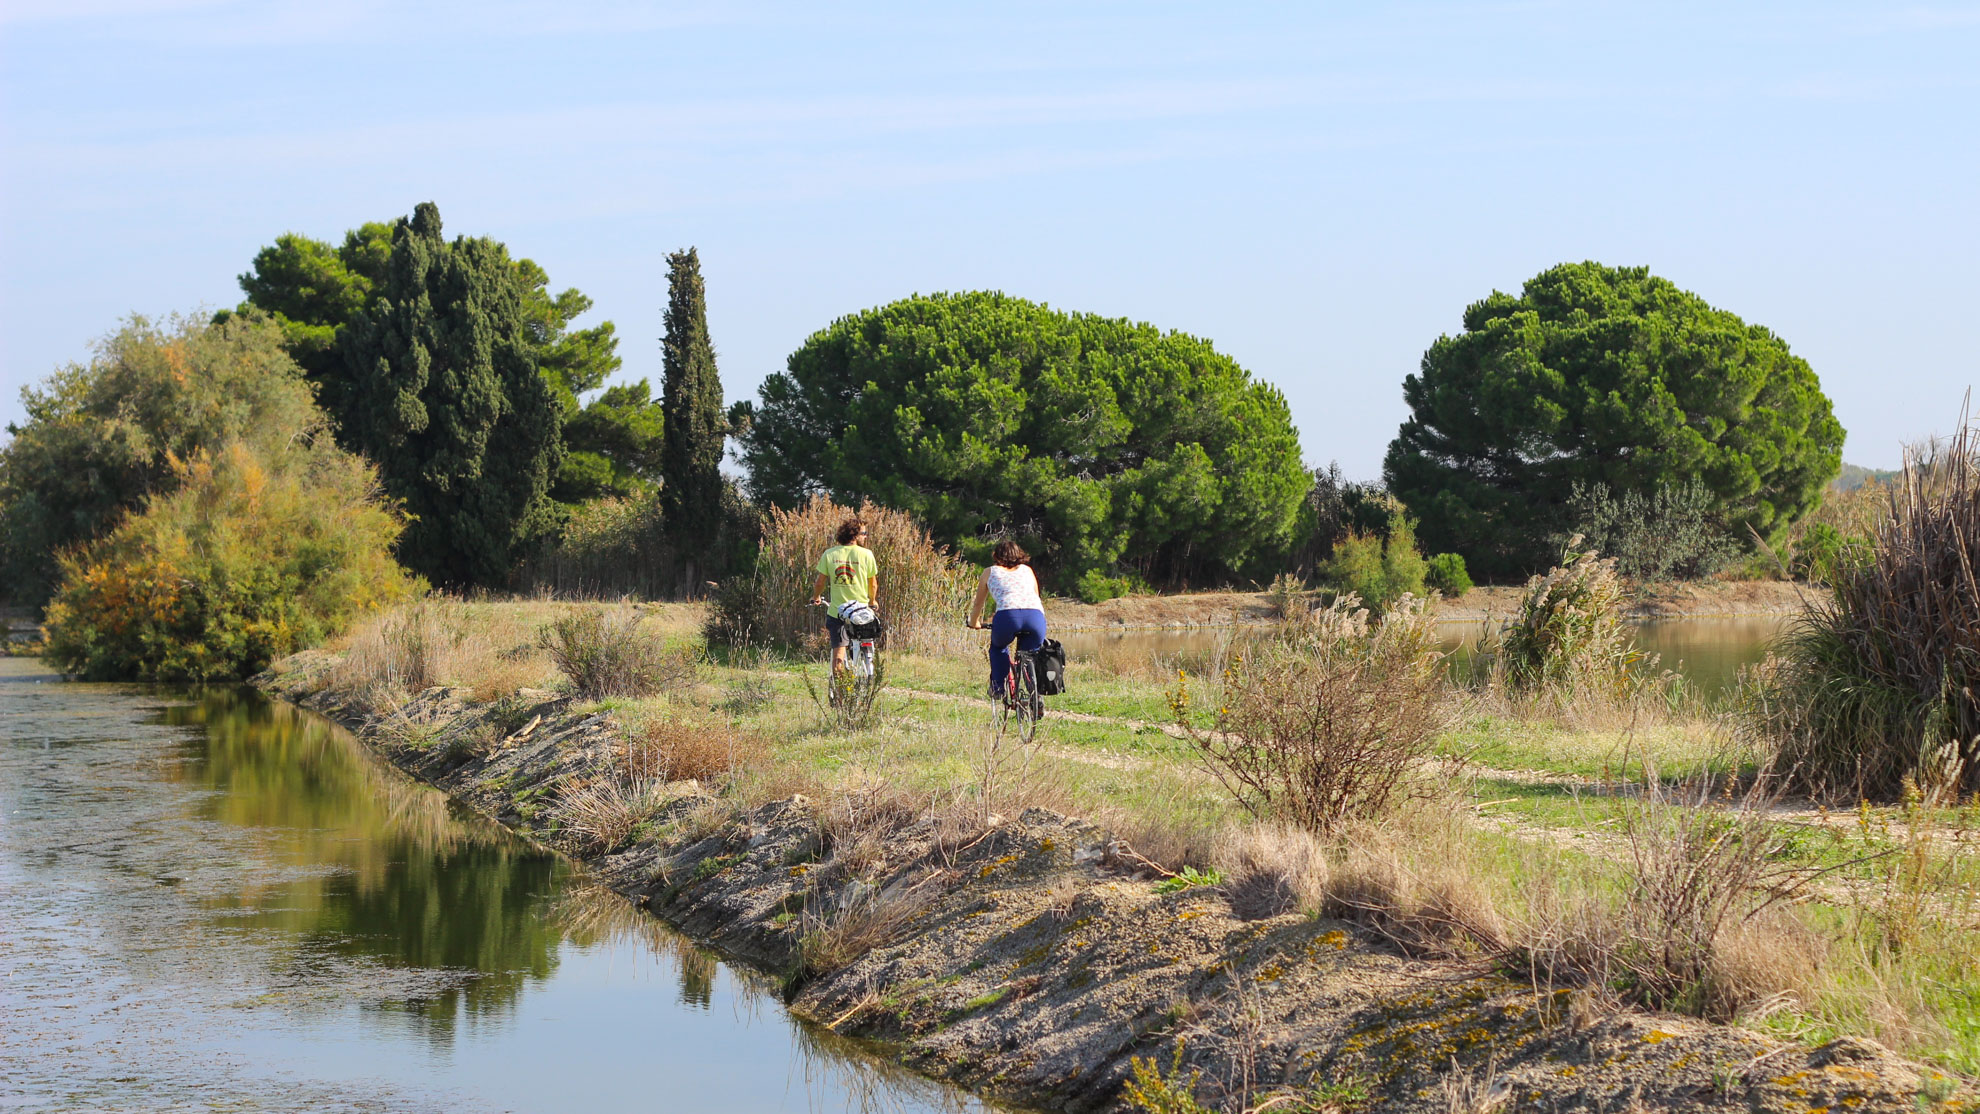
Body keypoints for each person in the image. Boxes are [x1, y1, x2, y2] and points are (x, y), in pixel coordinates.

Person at [966, 540, 1046, 700]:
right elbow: (1036, 597)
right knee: (1030, 654)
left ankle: (998, 687)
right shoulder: (1027, 570)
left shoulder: (989, 572)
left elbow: (978, 603)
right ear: (1019, 554)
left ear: (995, 555)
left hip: (1008, 617)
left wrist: (973, 622)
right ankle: (1035, 695)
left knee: (998, 648)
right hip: (1035, 616)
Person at [810, 517, 879, 677]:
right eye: (864, 533)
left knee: (839, 654)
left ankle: (841, 696)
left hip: (838, 613)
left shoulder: (830, 554)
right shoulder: (867, 555)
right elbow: (873, 584)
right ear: (854, 535)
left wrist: (816, 597)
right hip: (861, 612)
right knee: (865, 640)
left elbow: (819, 582)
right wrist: (872, 601)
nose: (865, 536)